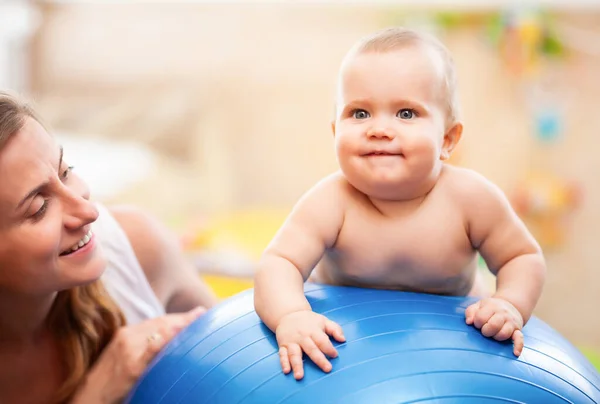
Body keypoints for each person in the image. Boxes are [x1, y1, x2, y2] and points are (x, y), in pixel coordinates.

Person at [253, 27, 546, 381]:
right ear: (335, 133)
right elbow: (278, 262)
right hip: (350, 344)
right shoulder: (331, 201)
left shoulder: (471, 198)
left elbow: (522, 257)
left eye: (406, 114)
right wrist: (291, 315)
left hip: (452, 341)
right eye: (359, 113)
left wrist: (509, 304)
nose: (379, 129)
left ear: (447, 139)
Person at [0, 91, 218, 404]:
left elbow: (239, 350)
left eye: (66, 171)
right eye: (38, 207)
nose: (88, 211)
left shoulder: (135, 247)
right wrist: (96, 395)